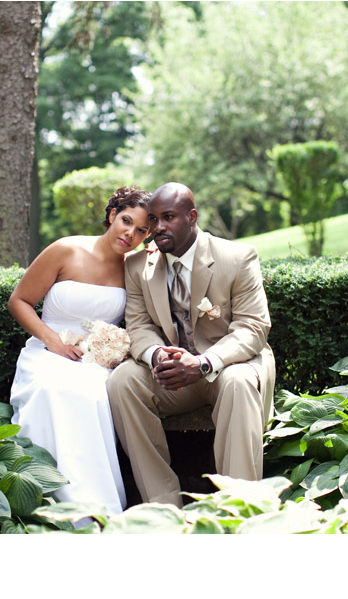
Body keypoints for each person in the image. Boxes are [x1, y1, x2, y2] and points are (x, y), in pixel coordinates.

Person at [107, 182, 276, 507]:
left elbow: (253, 327)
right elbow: (139, 326)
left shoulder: (237, 258)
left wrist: (202, 363)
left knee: (238, 383)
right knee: (122, 381)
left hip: (228, 367)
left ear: (192, 217)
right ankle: (164, 505)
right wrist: (158, 356)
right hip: (174, 377)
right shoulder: (137, 266)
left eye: (168, 217)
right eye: (153, 220)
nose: (158, 227)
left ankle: (240, 508)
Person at [7, 186, 151, 516]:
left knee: (94, 396)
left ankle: (93, 509)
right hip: (46, 352)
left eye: (142, 230)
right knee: (52, 388)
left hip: (95, 362)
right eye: (126, 221)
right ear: (113, 215)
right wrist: (52, 341)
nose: (131, 234)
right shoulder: (65, 250)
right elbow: (19, 301)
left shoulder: (136, 268)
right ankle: (42, 497)